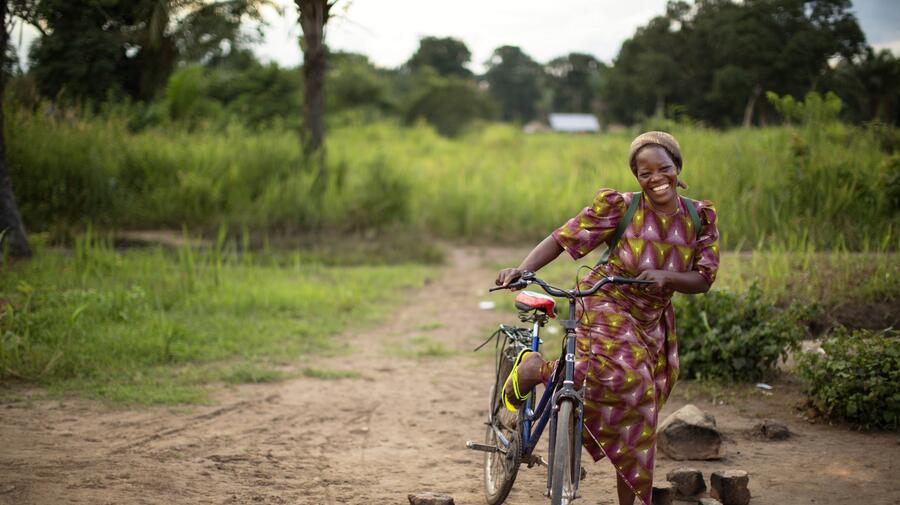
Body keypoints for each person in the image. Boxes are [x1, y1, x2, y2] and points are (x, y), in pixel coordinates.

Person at [495, 131, 719, 505]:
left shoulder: (700, 216)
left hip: (652, 319)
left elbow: (704, 279)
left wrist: (667, 278)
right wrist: (522, 268)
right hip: (606, 299)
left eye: (663, 169)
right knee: (626, 379)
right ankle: (536, 371)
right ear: (637, 177)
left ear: (677, 168)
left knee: (642, 407)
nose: (655, 179)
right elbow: (562, 238)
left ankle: (538, 370)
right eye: (645, 173)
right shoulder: (621, 207)